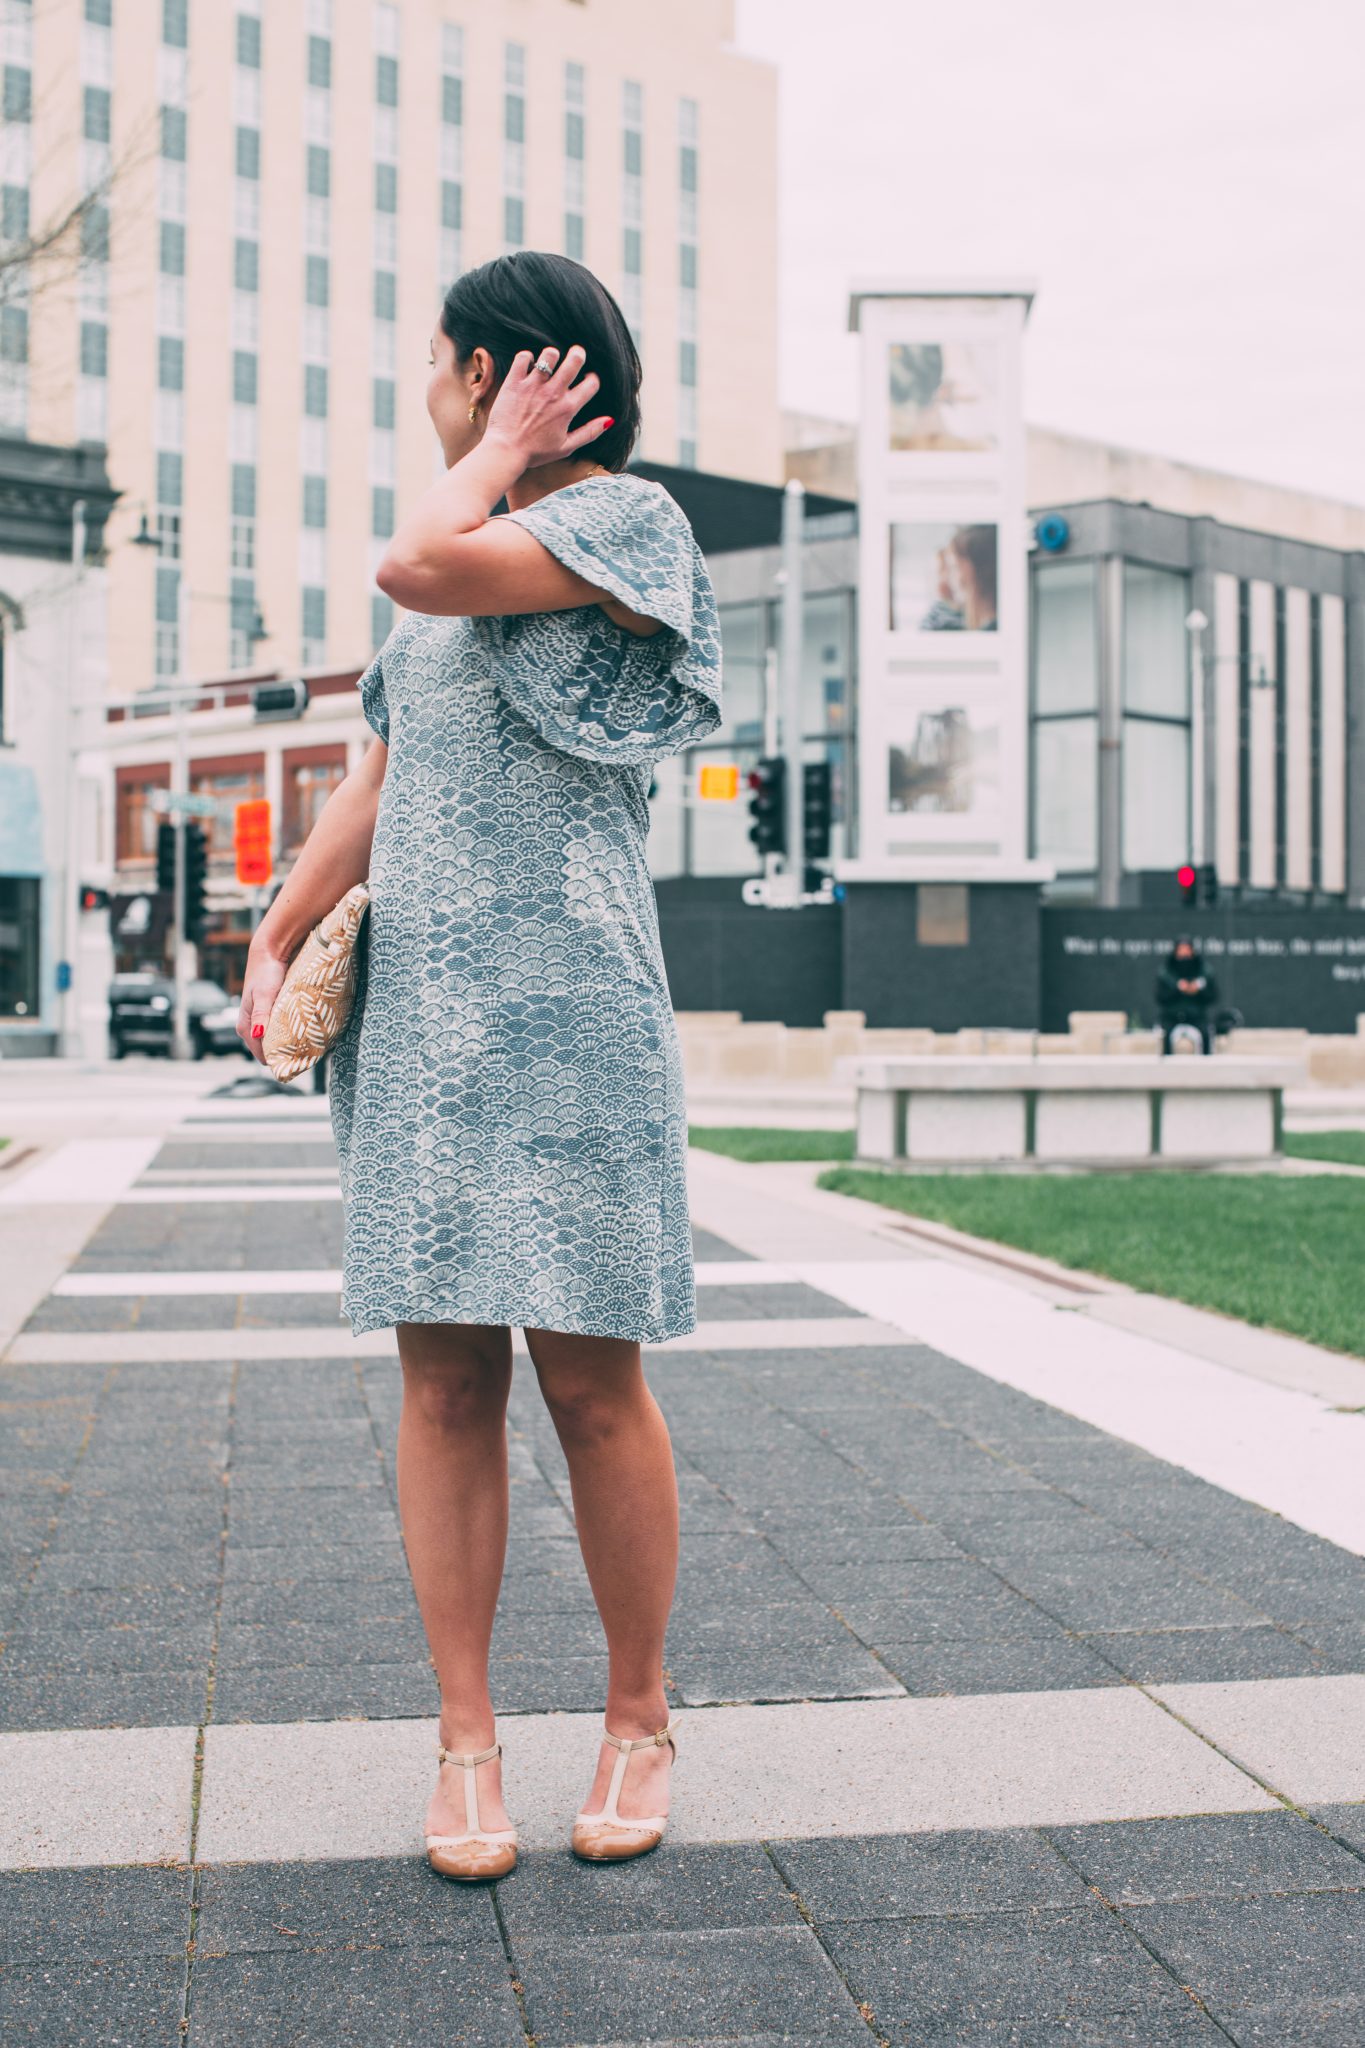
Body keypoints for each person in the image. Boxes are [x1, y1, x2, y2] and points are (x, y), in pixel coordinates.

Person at [236, 252, 722, 1881]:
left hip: (574, 1005)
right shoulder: (458, 559)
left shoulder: (620, 526)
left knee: (593, 1385)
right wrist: (277, 921)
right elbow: (377, 771)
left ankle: (638, 1712)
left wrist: (494, 455)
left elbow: (416, 556)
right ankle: (466, 1739)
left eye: (445, 367)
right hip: (427, 1023)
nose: (424, 390)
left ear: (510, 381)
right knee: (444, 1380)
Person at [1156, 935, 1218, 1053]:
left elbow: (1212, 995)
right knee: (1166, 1035)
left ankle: (1206, 1067)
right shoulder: (1166, 971)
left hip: (1196, 1016)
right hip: (1171, 1016)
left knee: (1206, 1034)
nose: (1184, 953)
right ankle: (1166, 1069)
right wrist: (1177, 988)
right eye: (1181, 950)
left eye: (1187, 950)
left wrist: (1198, 990)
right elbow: (1160, 997)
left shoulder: (1203, 969)